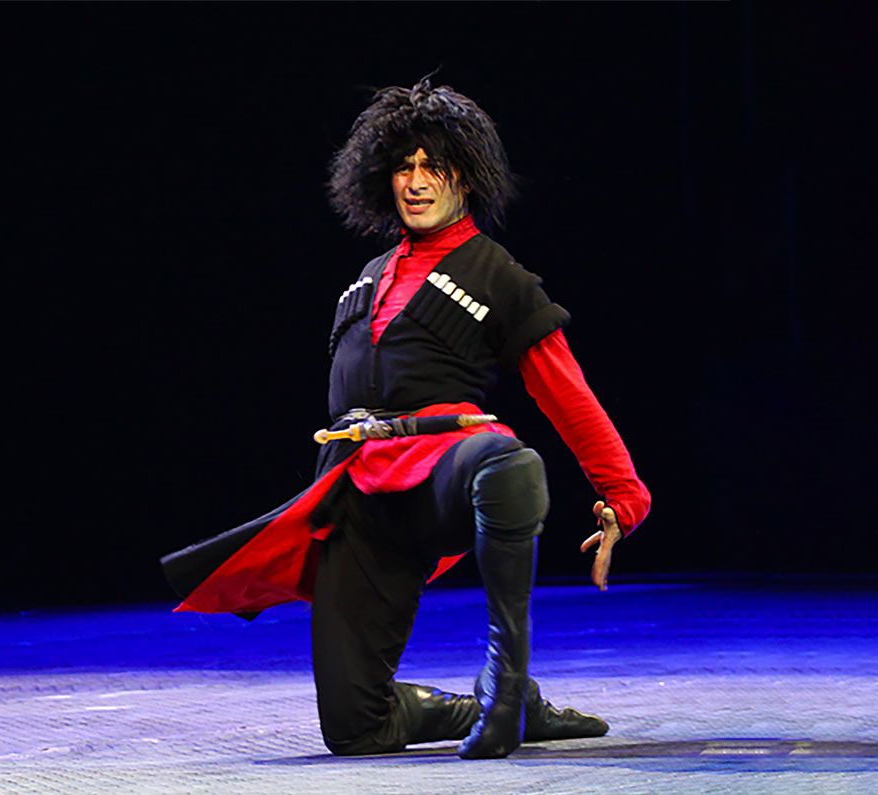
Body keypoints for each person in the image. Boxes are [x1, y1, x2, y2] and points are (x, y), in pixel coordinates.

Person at [161, 77, 651, 760]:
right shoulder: (370, 273)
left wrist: (623, 497)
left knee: (507, 463)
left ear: (466, 177)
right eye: (404, 166)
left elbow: (568, 394)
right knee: (354, 728)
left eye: (435, 166)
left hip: (438, 472)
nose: (416, 182)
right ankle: (497, 707)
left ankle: (506, 682)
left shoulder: (498, 276)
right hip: (357, 494)